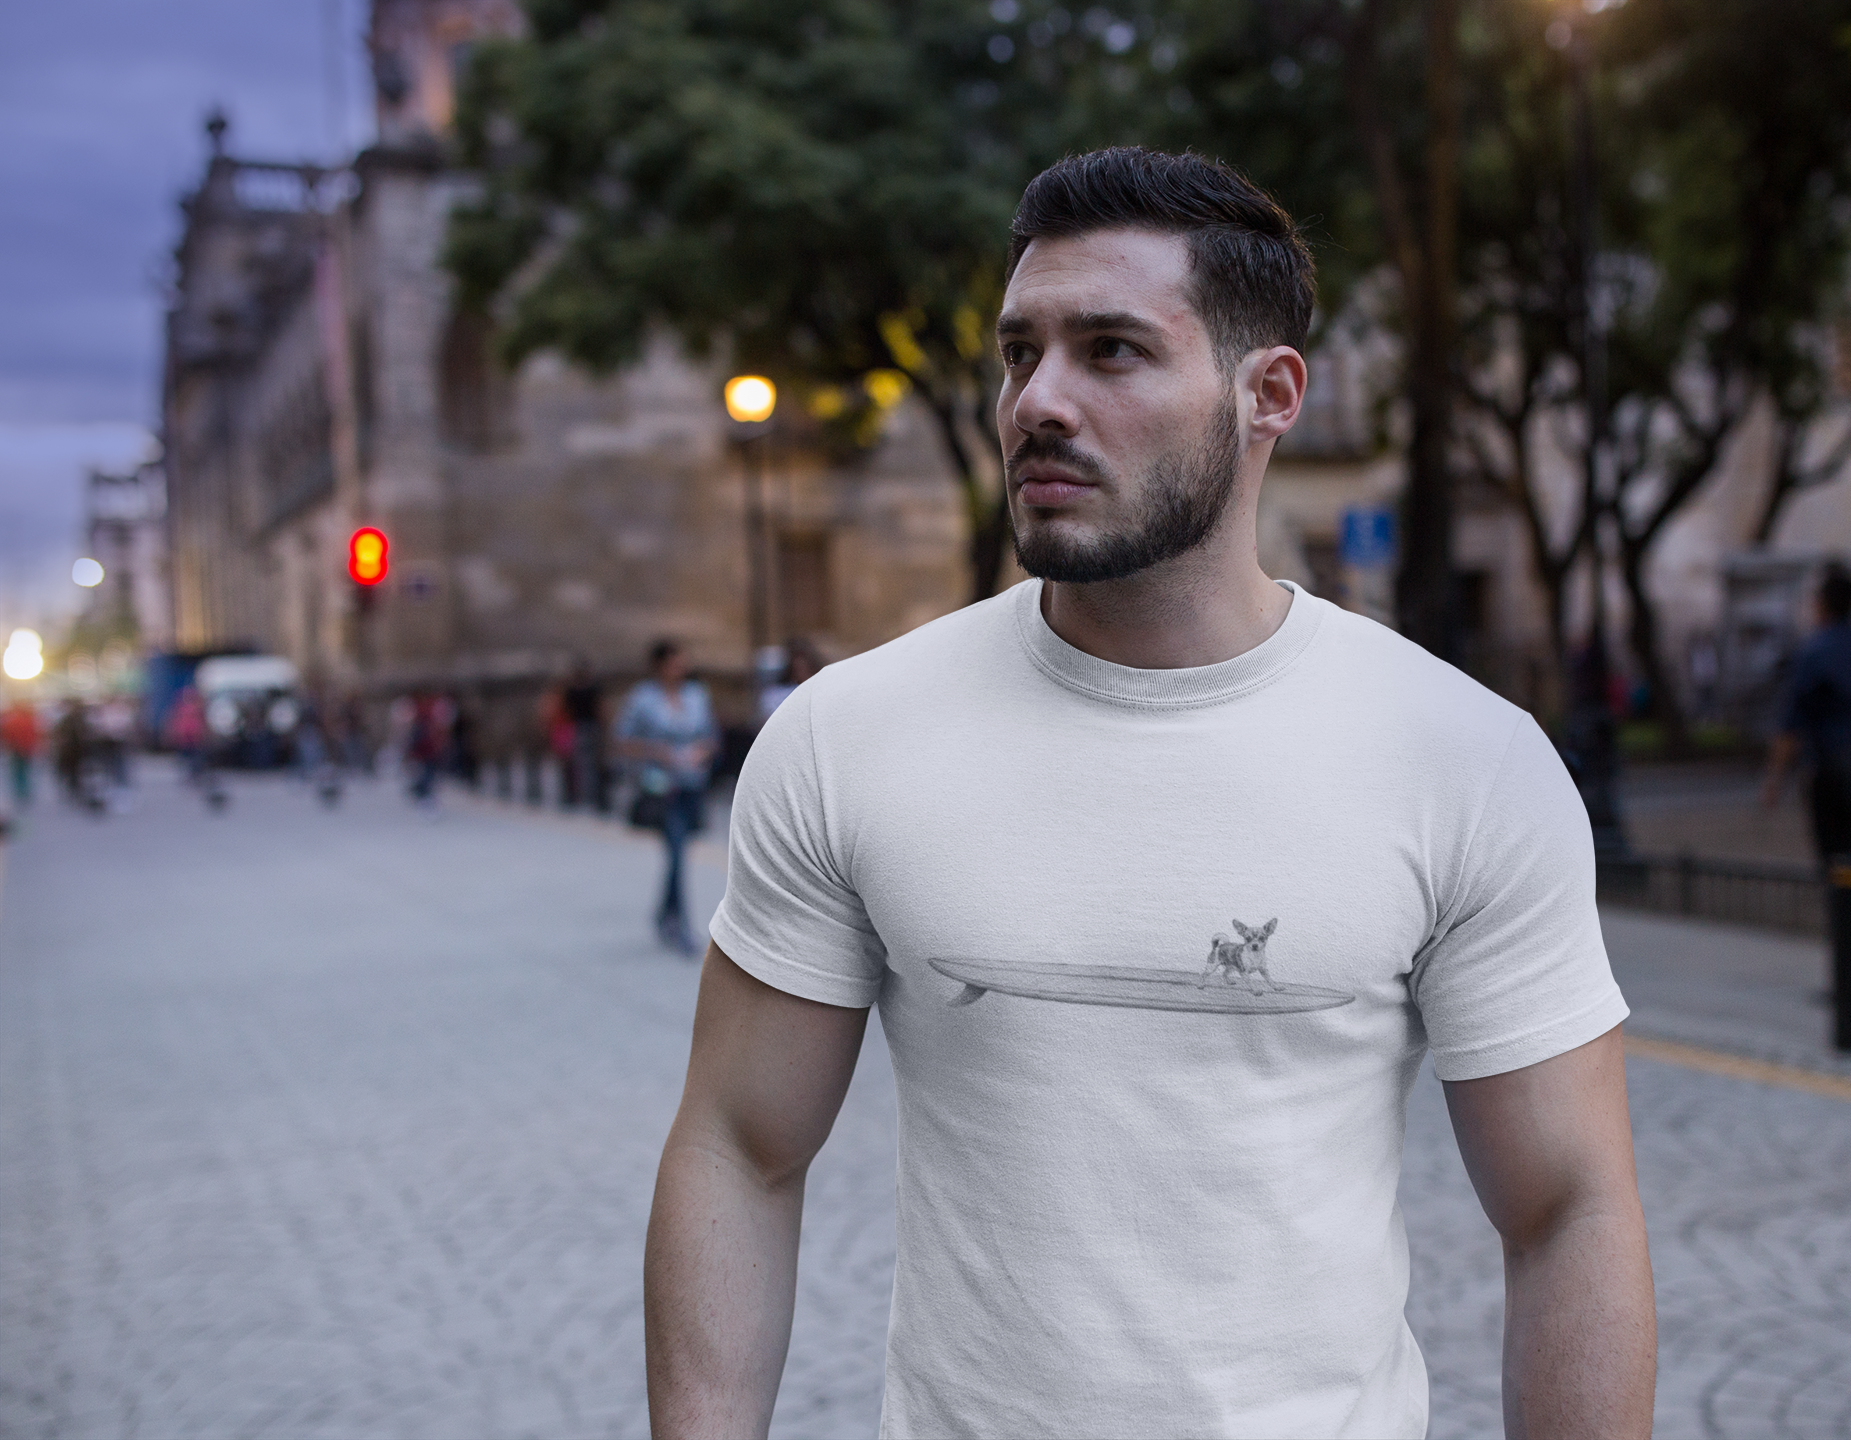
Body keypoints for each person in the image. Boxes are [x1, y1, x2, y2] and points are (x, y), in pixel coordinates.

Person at [646, 149, 1654, 1440]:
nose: (1036, 402)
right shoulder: (850, 735)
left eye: (1111, 351)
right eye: (1021, 353)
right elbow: (740, 1144)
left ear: (1268, 395)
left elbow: (1567, 1206)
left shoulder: (1461, 755)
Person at [1762, 561, 1851, 862]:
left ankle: (1848, 902)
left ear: (1822, 603)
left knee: (1836, 852)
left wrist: (1774, 779)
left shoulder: (1814, 651)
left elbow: (1791, 721)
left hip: (1833, 771)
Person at [618, 640, 718, 955]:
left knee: (679, 851)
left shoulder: (696, 695)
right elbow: (623, 740)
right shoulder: (643, 699)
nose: (681, 668)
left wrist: (701, 751)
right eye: (674, 663)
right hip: (661, 786)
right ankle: (680, 924)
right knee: (676, 852)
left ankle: (664, 914)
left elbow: (712, 735)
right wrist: (659, 752)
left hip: (692, 783)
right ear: (660, 666)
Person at [562, 659, 609, 812]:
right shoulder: (573, 689)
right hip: (579, 727)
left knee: (590, 762)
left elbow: (600, 708)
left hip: (588, 726)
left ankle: (590, 795)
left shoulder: (590, 688)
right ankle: (582, 795)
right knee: (580, 762)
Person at [755, 639, 822, 726]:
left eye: (805, 669)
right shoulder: (775, 694)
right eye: (797, 669)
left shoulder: (819, 692)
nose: (802, 673)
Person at [1, 699, 38, 807]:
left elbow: (6, 735)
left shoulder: (11, 721)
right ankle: (24, 792)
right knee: (24, 771)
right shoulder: (30, 720)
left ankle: (20, 792)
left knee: (17, 772)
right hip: (26, 749)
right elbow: (35, 735)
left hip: (16, 749)